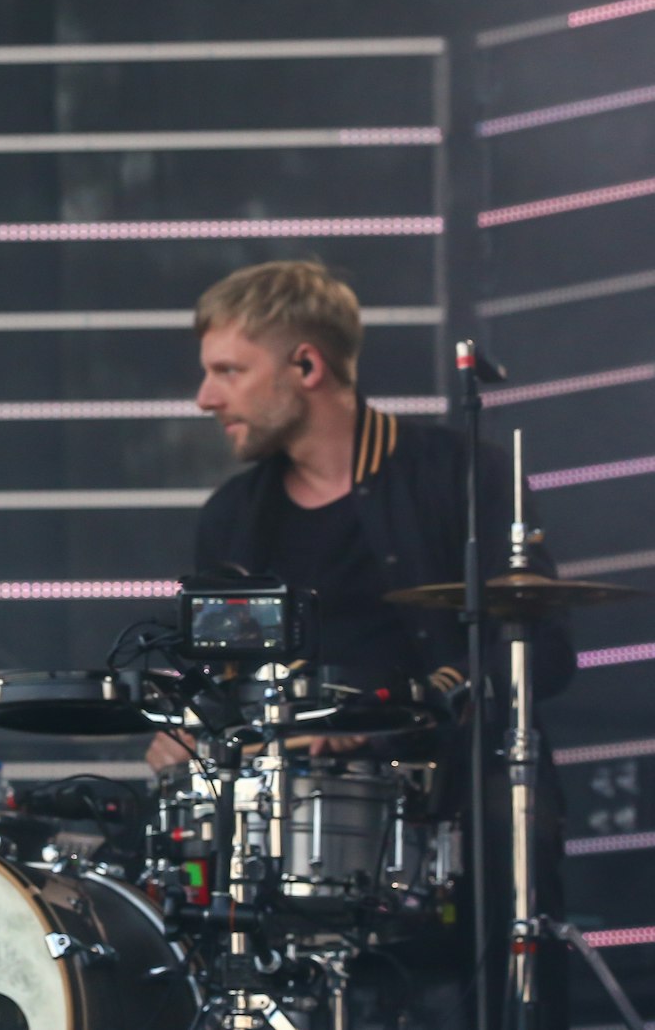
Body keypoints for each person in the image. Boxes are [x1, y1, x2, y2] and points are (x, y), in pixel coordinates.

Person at [145, 260, 573, 1029]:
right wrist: (189, 728)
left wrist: (392, 722)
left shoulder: (458, 475)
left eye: (229, 371)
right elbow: (217, 683)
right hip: (289, 860)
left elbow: (543, 652)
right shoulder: (233, 517)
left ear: (306, 364)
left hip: (464, 839)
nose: (207, 397)